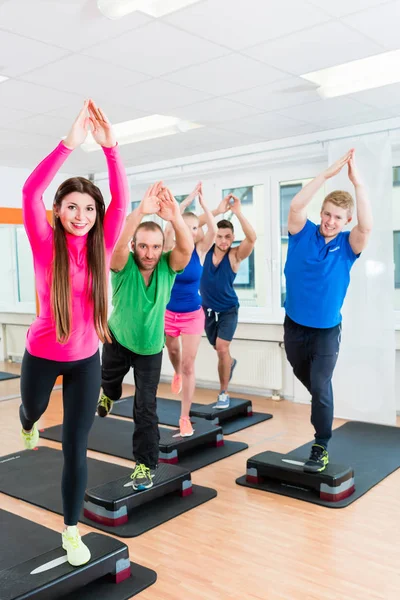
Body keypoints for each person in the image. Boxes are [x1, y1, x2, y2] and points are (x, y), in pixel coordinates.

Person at [19, 100, 129, 566]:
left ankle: (70, 531)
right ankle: (27, 423)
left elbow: (122, 202)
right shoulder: (45, 243)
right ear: (59, 211)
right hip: (41, 354)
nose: (81, 214)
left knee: (75, 448)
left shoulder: (103, 245)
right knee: (33, 409)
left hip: (86, 360)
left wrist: (111, 150)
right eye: (71, 206)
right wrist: (69, 144)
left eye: (88, 207)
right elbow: (29, 191)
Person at [97, 184, 193, 490]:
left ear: (162, 247)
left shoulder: (168, 267)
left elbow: (186, 249)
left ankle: (144, 465)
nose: (148, 253)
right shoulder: (122, 266)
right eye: (142, 246)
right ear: (135, 246)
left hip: (151, 348)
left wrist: (175, 216)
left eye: (154, 247)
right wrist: (140, 211)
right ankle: (109, 395)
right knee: (109, 382)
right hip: (117, 338)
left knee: (145, 406)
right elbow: (118, 240)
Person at [284, 149, 372, 473]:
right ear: (321, 212)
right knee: (308, 379)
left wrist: (357, 184)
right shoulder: (300, 233)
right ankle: (323, 404)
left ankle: (320, 444)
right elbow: (295, 206)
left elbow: (368, 225)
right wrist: (325, 175)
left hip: (325, 332)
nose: (330, 221)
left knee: (320, 386)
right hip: (293, 326)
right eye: (327, 214)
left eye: (338, 217)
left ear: (346, 221)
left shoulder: (349, 246)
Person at [164, 182, 217, 437]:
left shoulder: (200, 250)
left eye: (196, 228)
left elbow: (214, 230)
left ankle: (185, 418)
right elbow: (167, 229)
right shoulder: (168, 250)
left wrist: (204, 205)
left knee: (189, 365)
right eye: (188, 227)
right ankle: (175, 372)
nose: (193, 232)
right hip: (168, 314)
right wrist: (182, 205)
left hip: (193, 315)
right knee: (173, 352)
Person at [199, 194, 257, 409]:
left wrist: (238, 212)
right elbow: (192, 225)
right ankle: (230, 364)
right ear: (214, 236)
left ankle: (223, 393)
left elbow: (252, 238)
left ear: (232, 238)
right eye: (220, 236)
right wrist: (216, 211)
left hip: (228, 310)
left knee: (222, 348)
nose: (223, 241)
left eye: (228, 237)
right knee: (220, 350)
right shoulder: (202, 252)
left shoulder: (234, 256)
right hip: (207, 310)